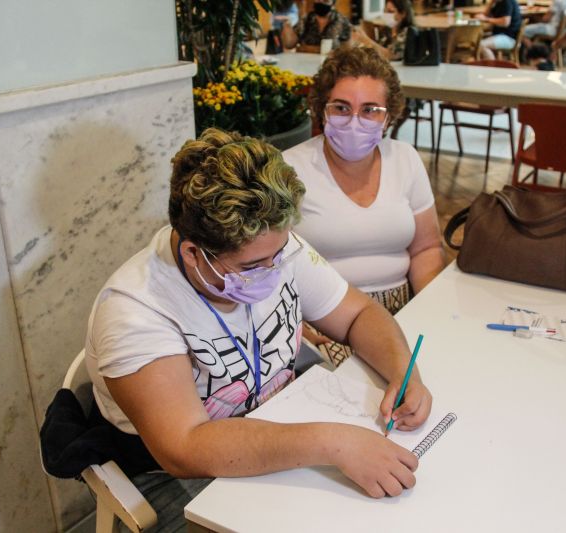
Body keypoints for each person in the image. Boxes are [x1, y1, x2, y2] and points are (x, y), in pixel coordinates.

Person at [84, 127, 434, 526]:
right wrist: (332, 442)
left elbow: (358, 315)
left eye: (280, 254)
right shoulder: (135, 311)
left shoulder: (269, 246)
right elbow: (183, 447)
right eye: (251, 267)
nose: (274, 271)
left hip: (275, 421)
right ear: (194, 254)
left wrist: (404, 371)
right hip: (172, 471)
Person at [282, 46, 445, 367]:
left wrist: (430, 310)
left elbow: (426, 248)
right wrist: (298, 323)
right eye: (341, 107)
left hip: (403, 308)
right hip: (324, 319)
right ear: (321, 109)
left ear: (389, 115)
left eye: (370, 109)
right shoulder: (289, 169)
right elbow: (268, 264)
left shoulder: (405, 159)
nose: (355, 121)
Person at [351, 0, 416, 61]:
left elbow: (392, 55)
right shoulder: (386, 33)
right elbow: (377, 53)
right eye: (385, 11)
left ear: (402, 14)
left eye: (390, 11)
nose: (386, 14)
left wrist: (365, 39)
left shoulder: (408, 32)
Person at [281, 0, 352, 53]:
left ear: (333, 3)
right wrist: (287, 25)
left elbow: (347, 50)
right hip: (304, 64)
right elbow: (289, 44)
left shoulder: (342, 21)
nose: (321, 2)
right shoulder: (306, 20)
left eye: (325, 0)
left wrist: (305, 48)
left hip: (330, 66)